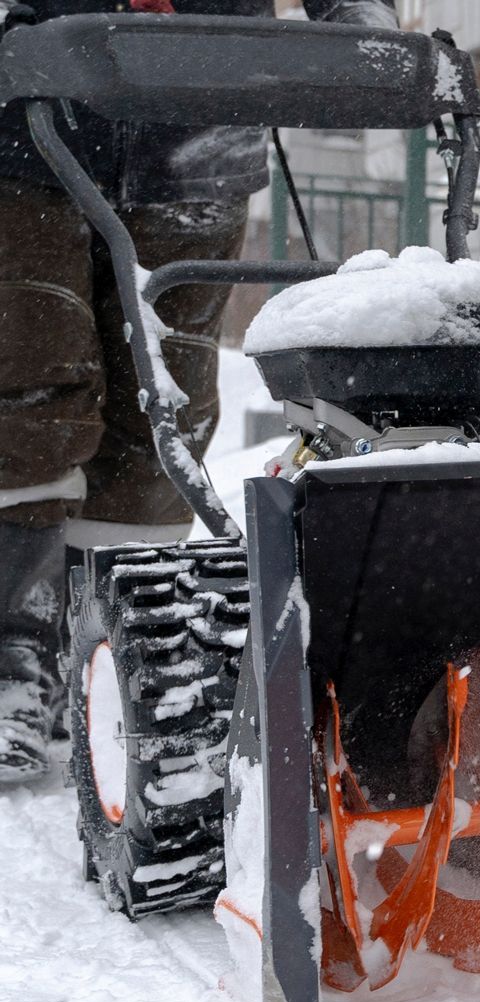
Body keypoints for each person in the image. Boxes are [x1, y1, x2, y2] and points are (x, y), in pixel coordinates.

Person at [0, 0, 398, 782]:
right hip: (26, 116)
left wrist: (360, 22)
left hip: (200, 122)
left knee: (162, 412)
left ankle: (104, 654)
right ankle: (17, 646)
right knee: (28, 385)